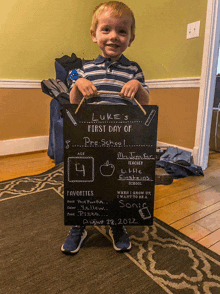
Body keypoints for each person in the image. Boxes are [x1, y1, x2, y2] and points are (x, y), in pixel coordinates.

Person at [61, 1, 149, 255]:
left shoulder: (134, 70)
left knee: (117, 183)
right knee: (83, 183)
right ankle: (79, 224)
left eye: (122, 31)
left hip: (122, 141)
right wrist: (78, 85)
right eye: (106, 29)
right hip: (89, 140)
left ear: (130, 39)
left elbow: (146, 107)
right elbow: (74, 107)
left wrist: (138, 87)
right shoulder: (84, 70)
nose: (114, 36)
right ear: (94, 35)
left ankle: (116, 223)